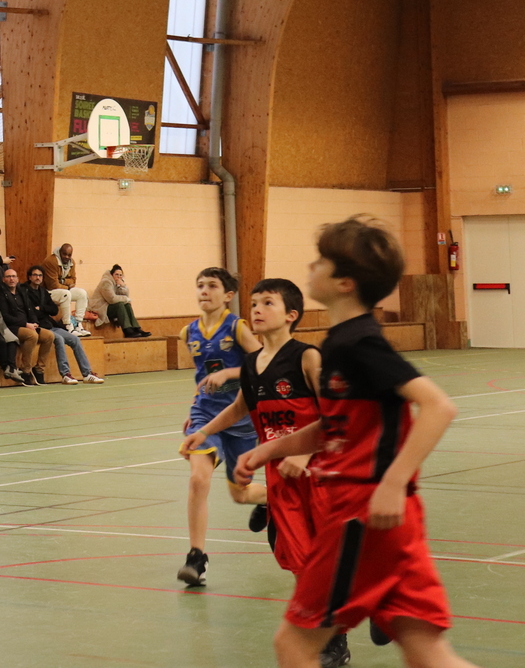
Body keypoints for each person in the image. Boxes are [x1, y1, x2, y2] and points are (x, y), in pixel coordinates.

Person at [236, 220, 477, 668]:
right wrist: (268, 449)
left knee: (294, 645)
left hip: (362, 514)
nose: (312, 266)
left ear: (345, 283)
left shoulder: (359, 343)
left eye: (322, 261)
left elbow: (438, 407)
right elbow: (334, 425)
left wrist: (392, 483)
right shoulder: (339, 343)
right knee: (426, 651)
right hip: (390, 520)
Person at [182, 278, 349, 668]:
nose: (257, 309)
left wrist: (304, 455)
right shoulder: (252, 365)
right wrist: (204, 431)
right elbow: (241, 408)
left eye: (267, 303)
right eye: (254, 303)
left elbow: (336, 415)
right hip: (280, 477)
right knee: (299, 559)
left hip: (318, 472)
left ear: (291, 315)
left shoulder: (307, 357)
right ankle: (332, 634)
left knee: (328, 557)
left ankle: (352, 619)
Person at [175, 266, 265, 587]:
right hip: (205, 416)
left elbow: (263, 364)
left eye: (212, 285)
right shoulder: (188, 332)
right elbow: (202, 375)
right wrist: (195, 405)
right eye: (200, 285)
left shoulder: (237, 327)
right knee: (198, 479)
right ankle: (196, 557)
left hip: (241, 419)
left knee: (240, 495)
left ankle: (269, 499)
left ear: (228, 295)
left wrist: (229, 373)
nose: (204, 290)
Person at [20, 267, 103, 384]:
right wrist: (42, 310)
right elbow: (30, 311)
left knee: (75, 340)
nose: (38, 277)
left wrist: (41, 308)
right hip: (38, 326)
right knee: (59, 339)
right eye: (35, 275)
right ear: (29, 277)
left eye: (40, 275)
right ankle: (65, 374)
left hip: (50, 325)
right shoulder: (24, 291)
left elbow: (54, 310)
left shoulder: (43, 291)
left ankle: (87, 373)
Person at [0, 267, 55, 385]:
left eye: (13, 276)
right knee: (32, 336)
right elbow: (4, 317)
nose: (11, 279)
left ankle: (39, 369)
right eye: (8, 277)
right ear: (3, 279)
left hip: (28, 325)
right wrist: (25, 324)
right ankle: (25, 370)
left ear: (17, 279)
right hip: (11, 327)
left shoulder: (22, 292)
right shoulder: (0, 295)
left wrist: (34, 323)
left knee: (49, 336)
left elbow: (30, 310)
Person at [40, 243, 90, 335]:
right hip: (47, 292)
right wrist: (67, 286)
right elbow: (53, 285)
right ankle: (67, 325)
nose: (66, 257)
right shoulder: (51, 261)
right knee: (66, 294)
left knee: (82, 293)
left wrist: (62, 281)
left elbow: (73, 280)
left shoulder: (72, 262)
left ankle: (78, 324)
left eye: (69, 255)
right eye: (64, 254)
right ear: (60, 252)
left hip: (62, 290)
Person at [91, 264, 147, 338]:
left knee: (127, 305)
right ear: (112, 274)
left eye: (120, 275)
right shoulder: (106, 282)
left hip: (109, 306)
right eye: (116, 274)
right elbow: (112, 299)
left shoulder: (116, 283)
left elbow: (124, 296)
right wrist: (127, 299)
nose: (118, 277)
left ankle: (136, 328)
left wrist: (123, 286)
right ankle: (127, 330)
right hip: (101, 308)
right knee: (120, 305)